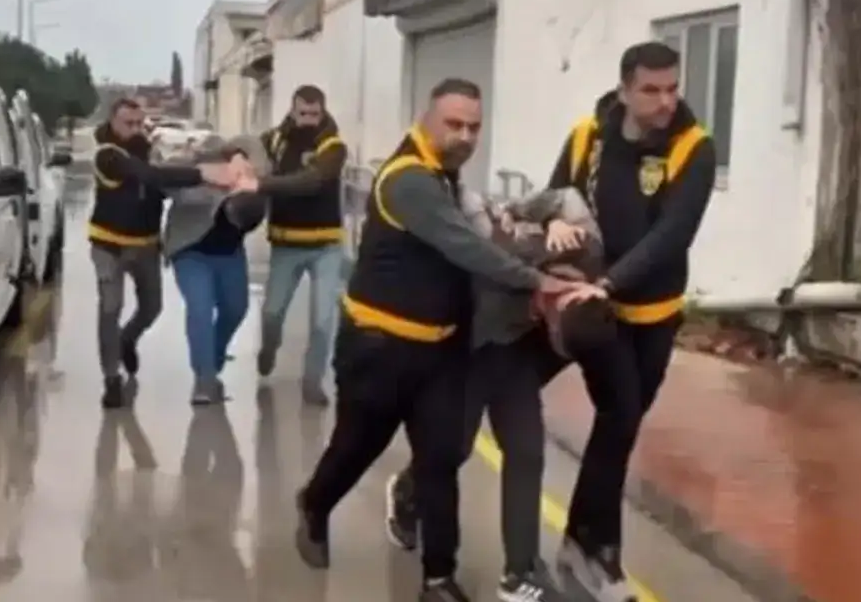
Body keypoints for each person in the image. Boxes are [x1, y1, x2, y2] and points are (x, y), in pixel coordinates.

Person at [293, 78, 551, 602]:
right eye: (454, 124)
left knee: (440, 462)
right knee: (356, 448)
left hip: (439, 354)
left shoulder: (443, 175)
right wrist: (537, 280)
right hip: (380, 349)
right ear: (425, 118)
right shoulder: (409, 179)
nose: (465, 136)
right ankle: (315, 505)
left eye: (474, 127)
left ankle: (438, 578)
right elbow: (464, 247)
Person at [384, 187, 615, 602]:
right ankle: (408, 490)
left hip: (513, 352)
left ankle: (520, 573)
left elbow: (567, 198)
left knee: (526, 451)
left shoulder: (588, 250)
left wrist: (553, 220)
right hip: (470, 345)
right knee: (455, 447)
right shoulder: (504, 263)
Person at [546, 41, 717, 602]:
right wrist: (553, 227)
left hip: (654, 315)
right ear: (624, 90)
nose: (666, 101)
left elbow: (672, 235)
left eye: (672, 88)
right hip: (593, 310)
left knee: (618, 427)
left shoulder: (693, 147)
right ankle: (602, 555)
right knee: (618, 415)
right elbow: (555, 197)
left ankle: (580, 544)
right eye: (651, 90)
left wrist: (613, 280)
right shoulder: (588, 137)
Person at [89, 98, 238, 409]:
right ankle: (111, 380)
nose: (134, 129)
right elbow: (149, 176)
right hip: (109, 246)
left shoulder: (151, 150)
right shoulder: (107, 154)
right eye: (127, 123)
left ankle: (128, 338)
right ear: (112, 122)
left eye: (138, 123)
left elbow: (167, 178)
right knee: (110, 308)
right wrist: (202, 173)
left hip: (146, 245)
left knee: (152, 308)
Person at [237, 85, 347, 407]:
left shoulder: (333, 145)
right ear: (292, 110)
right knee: (272, 313)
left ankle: (312, 381)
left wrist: (261, 184)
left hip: (326, 246)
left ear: (323, 111)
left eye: (315, 113)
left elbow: (312, 181)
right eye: (303, 113)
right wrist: (236, 161)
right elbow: (246, 148)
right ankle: (268, 350)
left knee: (323, 321)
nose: (309, 119)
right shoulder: (274, 140)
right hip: (286, 244)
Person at [162, 133, 270, 404]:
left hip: (229, 253)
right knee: (200, 308)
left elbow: (254, 146)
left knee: (236, 308)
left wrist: (237, 156)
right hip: (190, 250)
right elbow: (162, 176)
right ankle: (204, 380)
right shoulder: (193, 179)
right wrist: (200, 171)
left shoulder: (248, 173)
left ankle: (213, 359)